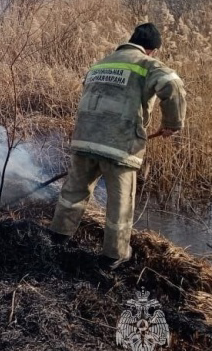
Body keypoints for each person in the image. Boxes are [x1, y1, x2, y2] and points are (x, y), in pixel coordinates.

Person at [50, 23, 186, 270]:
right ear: (152, 50)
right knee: (120, 204)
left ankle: (58, 237)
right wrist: (172, 123)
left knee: (73, 193)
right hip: (119, 146)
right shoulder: (146, 64)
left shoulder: (102, 63)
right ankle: (114, 256)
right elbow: (172, 84)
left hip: (84, 140)